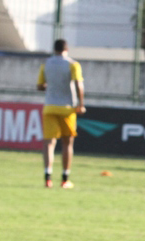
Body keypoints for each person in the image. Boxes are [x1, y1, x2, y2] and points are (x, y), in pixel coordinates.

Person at [37, 38, 85, 188]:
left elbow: (39, 86)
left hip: (49, 106)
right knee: (67, 143)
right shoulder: (73, 64)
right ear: (67, 49)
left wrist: (52, 87)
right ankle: (65, 179)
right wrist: (81, 104)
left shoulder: (46, 64)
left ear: (54, 49)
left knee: (49, 143)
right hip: (66, 108)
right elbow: (79, 84)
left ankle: (48, 178)